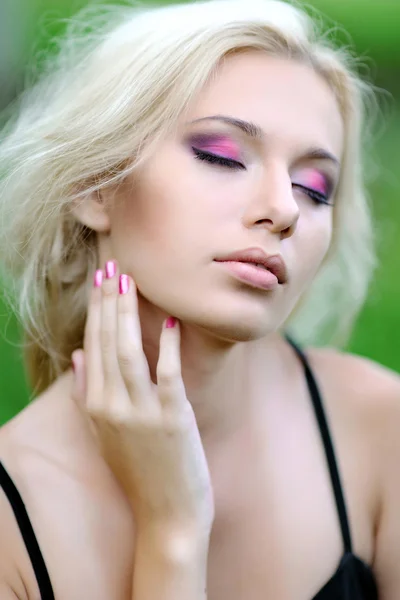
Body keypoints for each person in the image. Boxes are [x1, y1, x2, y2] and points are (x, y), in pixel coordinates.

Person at [0, 0, 399, 597]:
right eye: (222, 155)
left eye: (314, 187)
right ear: (96, 186)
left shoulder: (379, 427)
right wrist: (173, 534)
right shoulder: (12, 518)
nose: (285, 209)